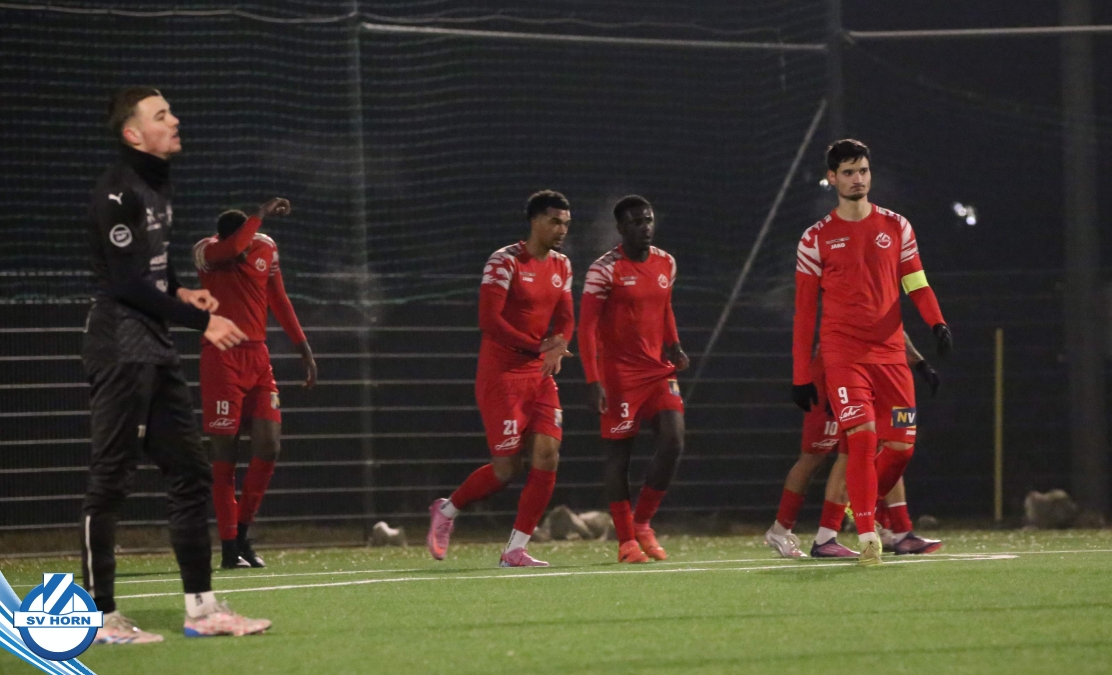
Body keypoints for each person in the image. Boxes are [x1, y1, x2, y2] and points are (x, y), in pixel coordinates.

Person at [82, 86, 270, 642]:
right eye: (161, 115)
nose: (175, 120)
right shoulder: (118, 189)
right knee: (110, 480)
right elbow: (124, 282)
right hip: (120, 347)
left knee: (191, 472)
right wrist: (200, 321)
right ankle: (97, 617)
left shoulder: (159, 186)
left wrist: (183, 292)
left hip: (156, 348)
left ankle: (202, 611)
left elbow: (153, 274)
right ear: (133, 134)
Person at [792, 139, 952, 566]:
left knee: (901, 446)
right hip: (844, 355)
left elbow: (915, 282)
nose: (857, 179)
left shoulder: (897, 226)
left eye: (862, 171)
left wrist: (936, 321)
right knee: (861, 438)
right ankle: (868, 536)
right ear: (832, 178)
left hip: (890, 355)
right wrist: (801, 374)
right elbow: (804, 313)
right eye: (847, 173)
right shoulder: (815, 239)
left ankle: (855, 508)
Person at [426, 191, 575, 567]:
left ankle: (515, 550)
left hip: (538, 374)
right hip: (502, 375)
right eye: (555, 222)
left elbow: (566, 316)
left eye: (566, 223)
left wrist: (558, 346)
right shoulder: (504, 261)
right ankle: (446, 510)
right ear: (535, 222)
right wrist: (537, 346)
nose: (562, 230)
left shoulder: (562, 265)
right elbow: (489, 320)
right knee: (506, 469)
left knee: (548, 455)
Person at [193, 202, 317, 569]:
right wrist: (260, 213)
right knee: (224, 454)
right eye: (239, 244)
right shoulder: (207, 252)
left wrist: (303, 348)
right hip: (221, 359)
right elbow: (232, 248)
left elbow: (278, 298)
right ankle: (228, 546)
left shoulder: (266, 247)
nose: (244, 251)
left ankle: (243, 534)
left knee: (269, 445)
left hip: (258, 359)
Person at [578, 196, 689, 564]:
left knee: (673, 440)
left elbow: (664, 305)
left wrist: (674, 344)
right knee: (618, 457)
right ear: (621, 228)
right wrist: (593, 380)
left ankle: (642, 523)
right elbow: (586, 327)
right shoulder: (603, 270)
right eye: (637, 222)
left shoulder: (666, 262)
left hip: (657, 370)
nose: (645, 227)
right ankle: (626, 542)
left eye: (649, 220)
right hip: (619, 376)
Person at [767, 334, 943, 558]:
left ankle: (897, 530)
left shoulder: (883, 316)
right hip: (842, 375)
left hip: (878, 374)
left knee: (887, 446)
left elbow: (895, 330)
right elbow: (831, 334)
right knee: (818, 456)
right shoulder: (845, 317)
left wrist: (919, 363)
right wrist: (827, 379)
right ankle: (788, 531)